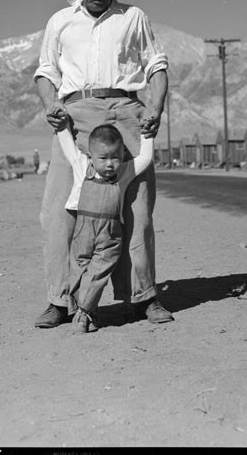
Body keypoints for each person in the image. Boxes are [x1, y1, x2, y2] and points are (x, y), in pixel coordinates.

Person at [33, 0, 173, 328]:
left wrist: (155, 107)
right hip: (74, 117)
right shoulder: (60, 21)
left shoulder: (133, 18)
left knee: (136, 211)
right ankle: (60, 300)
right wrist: (51, 105)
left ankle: (144, 298)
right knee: (58, 212)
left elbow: (156, 66)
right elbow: (46, 72)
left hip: (126, 113)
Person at [52, 112, 154, 333]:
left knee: (98, 272)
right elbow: (68, 145)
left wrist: (148, 135)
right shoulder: (82, 167)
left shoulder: (124, 173)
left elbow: (144, 159)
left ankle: (83, 313)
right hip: (83, 232)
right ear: (91, 155)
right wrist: (62, 126)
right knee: (79, 270)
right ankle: (88, 310)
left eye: (115, 157)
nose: (110, 164)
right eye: (103, 158)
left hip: (110, 235)